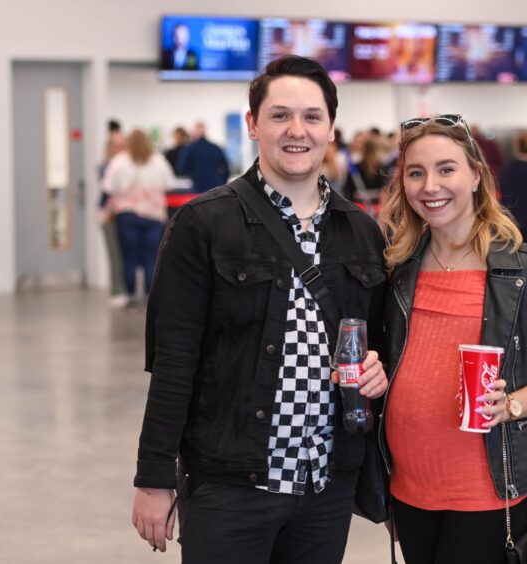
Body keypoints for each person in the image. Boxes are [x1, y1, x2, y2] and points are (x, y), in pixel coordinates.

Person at [131, 55, 389, 562]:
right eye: (280, 115)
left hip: (325, 484)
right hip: (231, 484)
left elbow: (375, 343)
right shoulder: (203, 226)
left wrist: (379, 371)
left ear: (331, 128)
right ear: (253, 125)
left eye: (312, 117)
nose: (298, 131)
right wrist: (154, 476)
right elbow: (172, 363)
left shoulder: (360, 231)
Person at [378, 114, 527, 564]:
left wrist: (511, 405)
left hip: (487, 491)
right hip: (409, 484)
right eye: (415, 172)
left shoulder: (521, 273)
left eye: (446, 169)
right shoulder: (397, 268)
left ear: (475, 176)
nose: (431, 185)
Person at [102, 129, 174, 306]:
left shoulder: (120, 161)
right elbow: (170, 183)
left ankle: (131, 295)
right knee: (152, 258)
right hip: (154, 216)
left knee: (129, 258)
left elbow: (108, 187)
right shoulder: (158, 161)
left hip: (127, 215)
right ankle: (151, 295)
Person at [98, 120, 128, 307]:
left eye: (122, 145)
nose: (119, 149)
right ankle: (118, 290)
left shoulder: (128, 164)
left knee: (127, 255)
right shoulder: (105, 166)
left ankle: (128, 289)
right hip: (110, 215)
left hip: (125, 214)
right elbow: (108, 191)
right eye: (116, 146)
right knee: (115, 254)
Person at [176, 121, 230, 194]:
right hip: (216, 189)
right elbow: (226, 169)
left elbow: (181, 169)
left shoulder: (190, 149)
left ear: (194, 132)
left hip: (198, 189)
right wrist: (221, 182)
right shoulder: (215, 148)